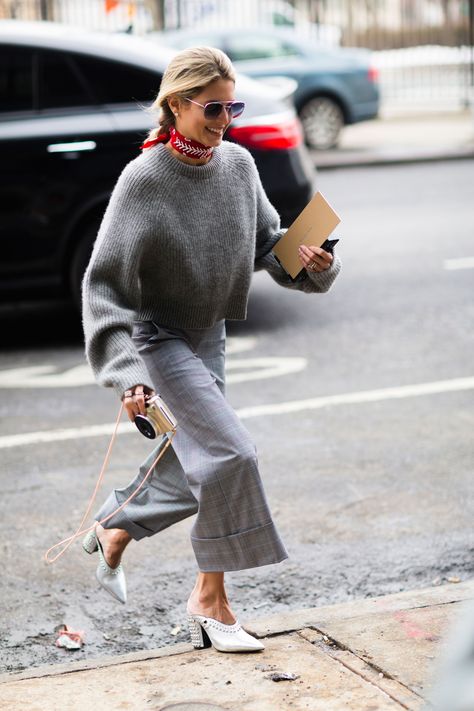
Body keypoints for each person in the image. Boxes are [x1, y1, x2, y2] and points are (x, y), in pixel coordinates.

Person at [81, 46, 341, 654]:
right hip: (158, 337)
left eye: (233, 107)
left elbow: (267, 243)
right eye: (212, 108)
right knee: (231, 457)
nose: (224, 121)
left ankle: (114, 529)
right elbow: (105, 286)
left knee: (200, 470)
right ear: (175, 105)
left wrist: (310, 262)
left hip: (209, 334)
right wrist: (127, 374)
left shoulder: (240, 165)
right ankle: (210, 603)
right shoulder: (142, 180)